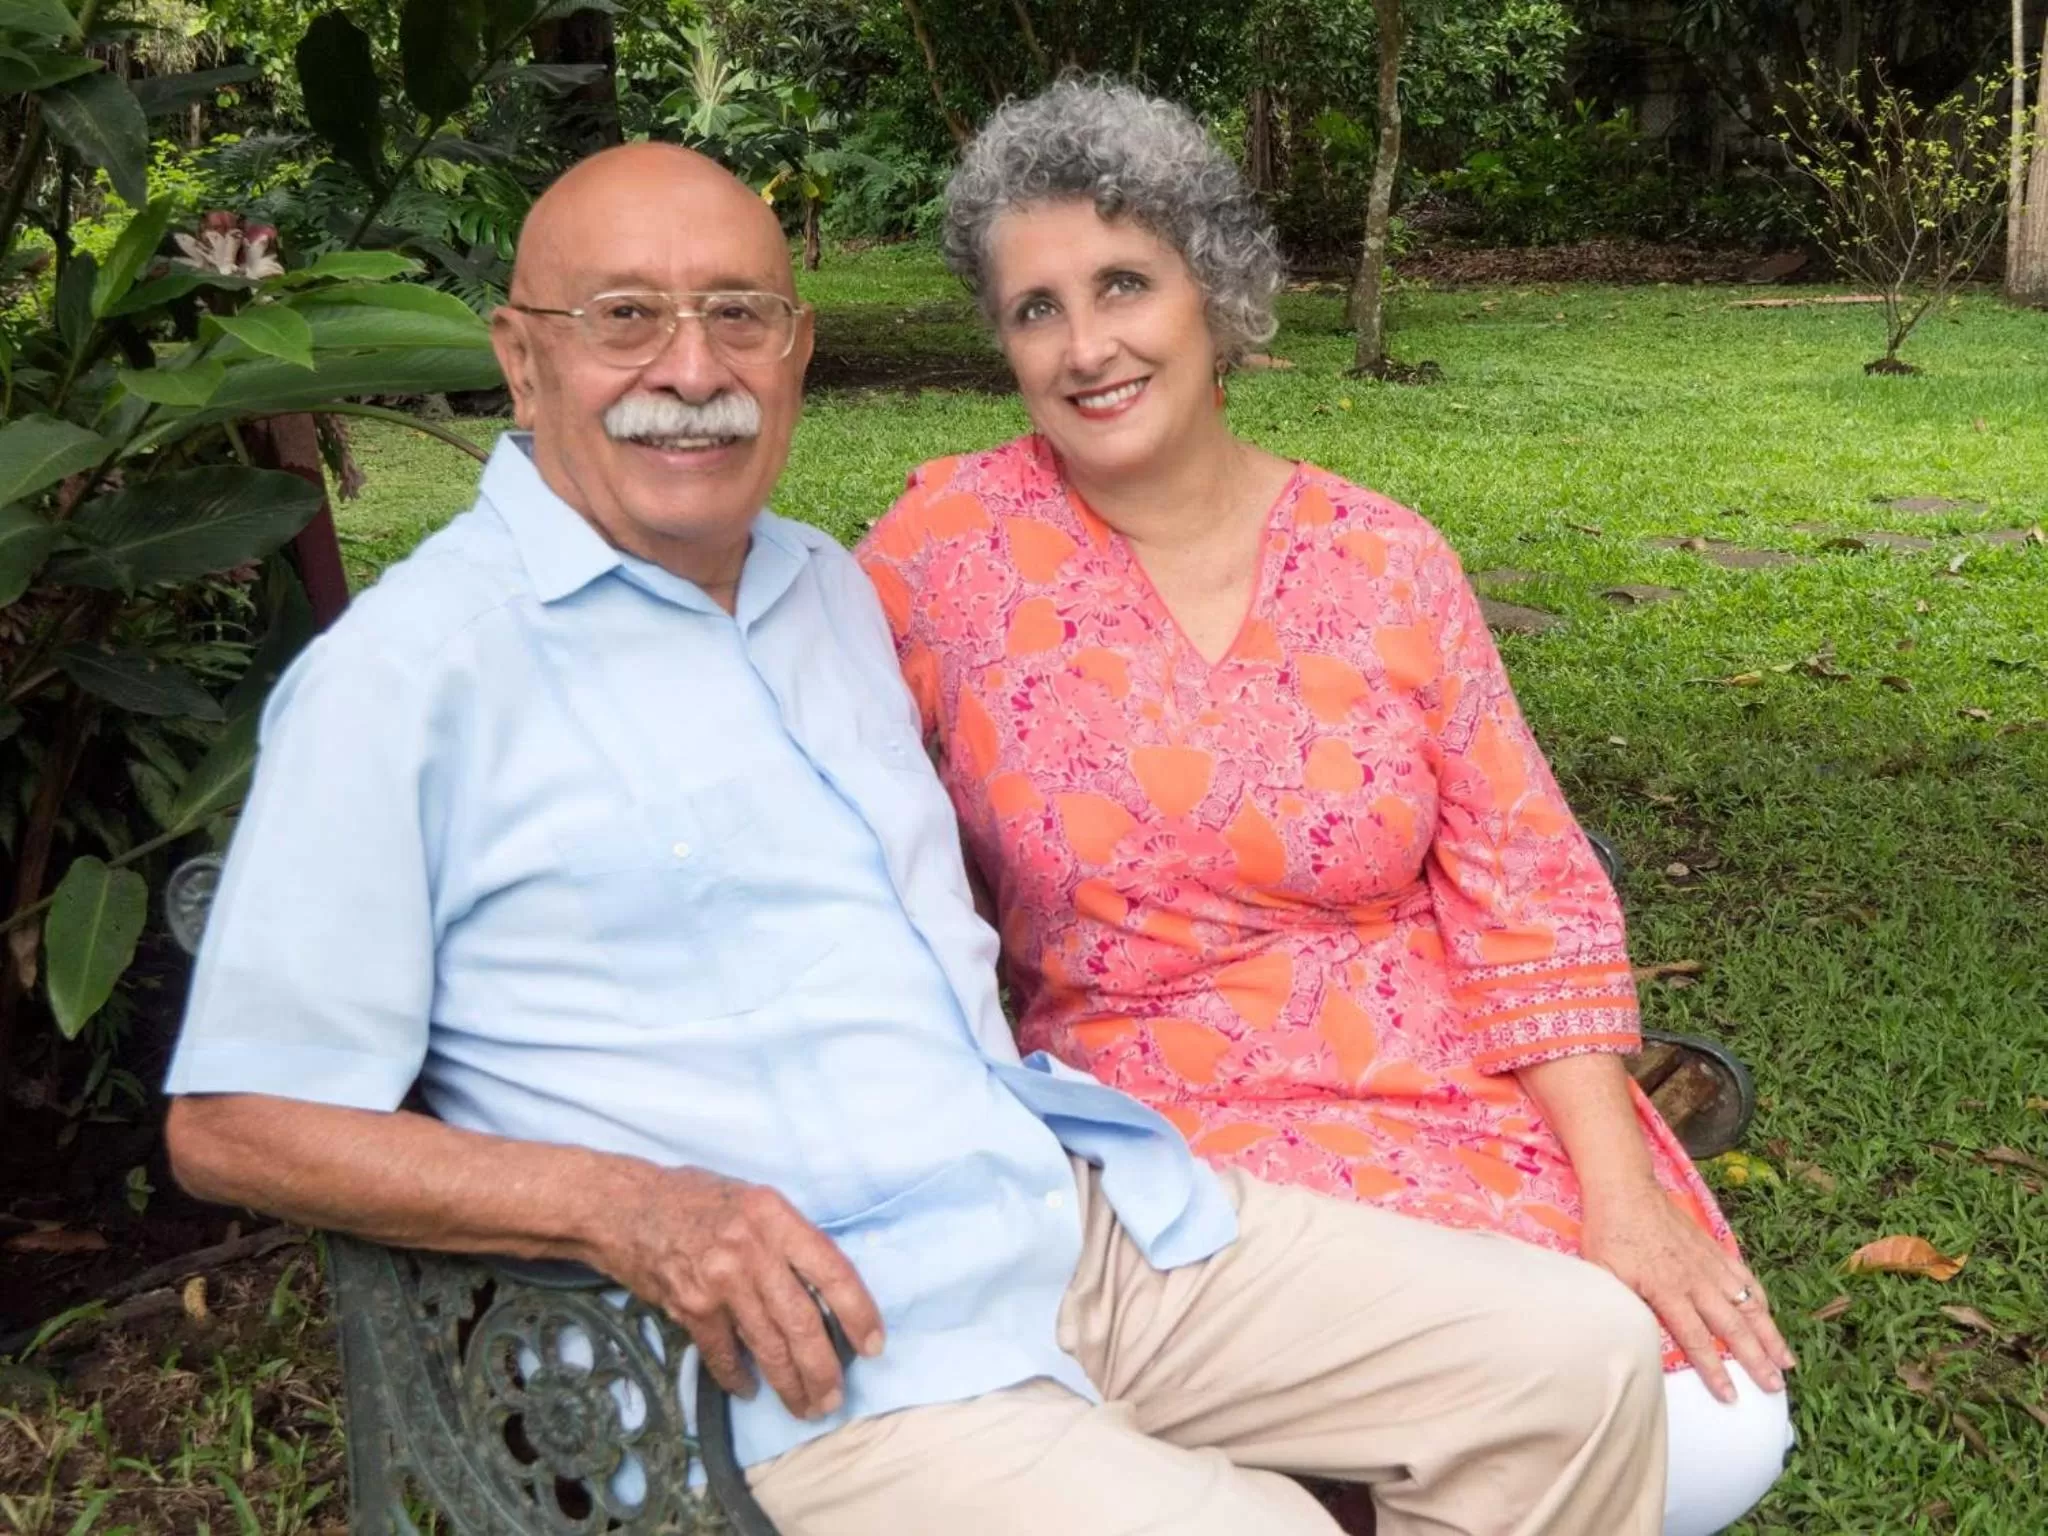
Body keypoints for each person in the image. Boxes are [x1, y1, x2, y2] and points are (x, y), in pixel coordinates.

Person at [162, 142, 1665, 1536]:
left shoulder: (828, 591)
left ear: (798, 347)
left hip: (1056, 1235)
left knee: (1574, 1357)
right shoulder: (411, 675)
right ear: (521, 356)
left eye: (739, 316)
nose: (693, 372)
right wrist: (631, 1208)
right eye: (626, 317)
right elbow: (230, 1119)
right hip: (799, 1367)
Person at [856, 81, 1794, 1536]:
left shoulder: (1385, 560)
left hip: (1432, 1090)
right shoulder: (942, 558)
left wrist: (1621, 1194)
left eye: (1123, 284)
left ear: (1215, 294)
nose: (1088, 344)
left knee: (1711, 1422)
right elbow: (826, 830)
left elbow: (1527, 891)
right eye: (1036, 308)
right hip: (1148, 1132)